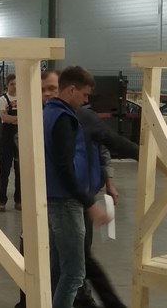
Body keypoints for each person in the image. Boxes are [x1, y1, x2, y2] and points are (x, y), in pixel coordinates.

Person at [38, 69, 132, 308]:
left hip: (59, 199)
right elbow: (64, 169)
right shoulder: (64, 118)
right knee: (74, 273)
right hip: (66, 201)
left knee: (60, 269)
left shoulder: (50, 114)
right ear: (72, 90)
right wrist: (89, 203)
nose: (86, 100)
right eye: (85, 94)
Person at [0, 73, 21, 212]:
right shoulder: (3, 99)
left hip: (20, 136)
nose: (15, 86)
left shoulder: (22, 98)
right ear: (7, 85)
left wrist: (13, 119)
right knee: (4, 170)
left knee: (19, 170)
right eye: (12, 84)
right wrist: (19, 118)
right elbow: (4, 117)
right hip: (7, 137)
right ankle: (2, 201)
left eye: (17, 84)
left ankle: (19, 200)